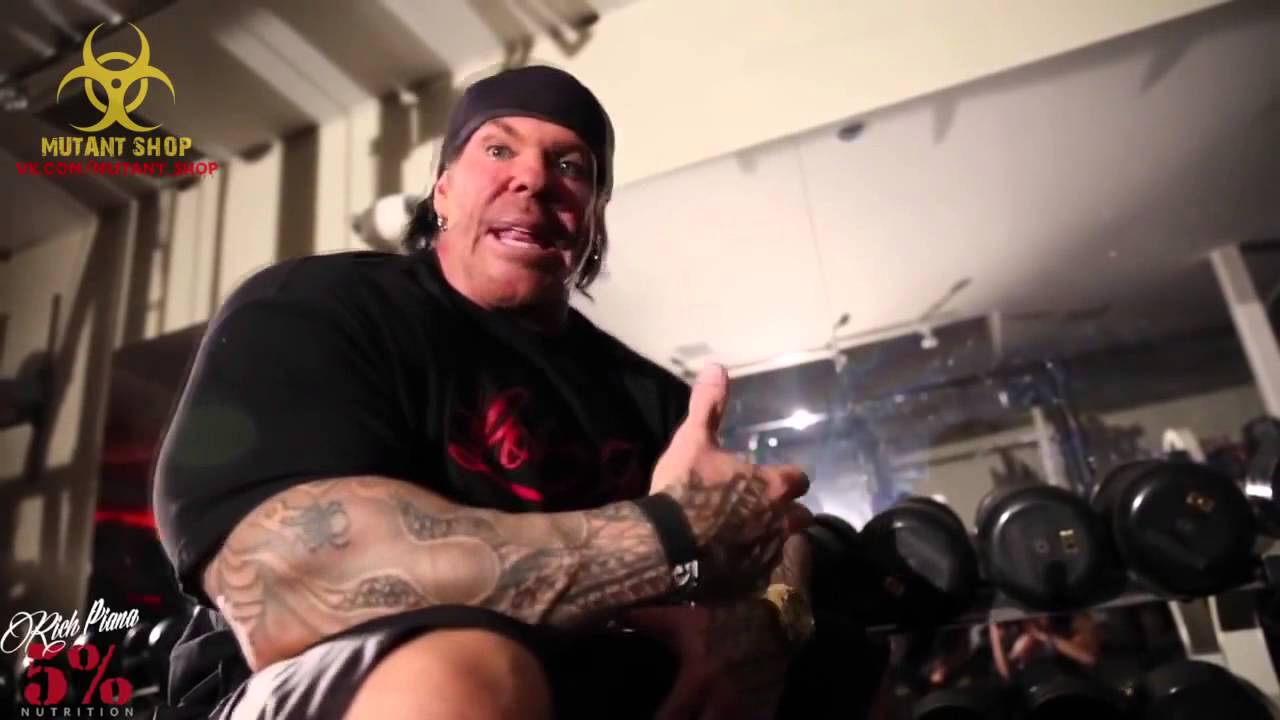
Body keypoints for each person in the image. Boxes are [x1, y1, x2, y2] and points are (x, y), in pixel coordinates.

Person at [152, 65, 824, 720]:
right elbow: (289, 583)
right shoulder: (319, 308)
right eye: (499, 149)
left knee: (844, 666)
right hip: (320, 676)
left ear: (594, 220)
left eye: (571, 166)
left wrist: (771, 615)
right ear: (442, 191)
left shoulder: (651, 397)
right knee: (464, 673)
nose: (534, 178)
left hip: (583, 679)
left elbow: (781, 527)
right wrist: (670, 533)